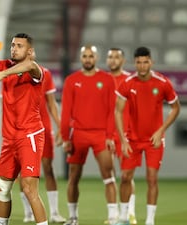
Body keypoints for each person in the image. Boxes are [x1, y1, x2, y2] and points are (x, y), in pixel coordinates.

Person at [0, 33, 48, 225]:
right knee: (2, 187)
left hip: (29, 135)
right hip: (10, 138)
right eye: (13, 45)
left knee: (29, 189)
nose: (14, 48)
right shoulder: (4, 64)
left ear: (30, 51)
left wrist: (3, 74)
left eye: (19, 46)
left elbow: (30, 65)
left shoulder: (35, 70)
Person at [114, 47, 180, 225]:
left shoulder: (162, 83)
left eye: (145, 62)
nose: (142, 66)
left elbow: (176, 108)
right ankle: (123, 217)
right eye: (138, 62)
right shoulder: (127, 83)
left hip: (154, 141)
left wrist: (161, 130)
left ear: (151, 62)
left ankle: (150, 220)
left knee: (152, 178)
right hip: (132, 140)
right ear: (134, 63)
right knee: (125, 177)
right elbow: (118, 111)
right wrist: (122, 139)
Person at [60, 44, 118, 225]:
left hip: (101, 135)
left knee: (108, 174)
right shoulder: (71, 80)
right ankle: (73, 217)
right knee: (74, 177)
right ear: (80, 58)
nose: (87, 59)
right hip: (78, 135)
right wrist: (64, 138)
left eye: (90, 56)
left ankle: (113, 216)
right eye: (84, 56)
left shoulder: (107, 79)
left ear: (96, 58)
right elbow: (66, 112)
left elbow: (111, 111)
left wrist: (110, 136)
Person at [19, 52, 66, 223]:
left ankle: (54, 212)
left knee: (48, 167)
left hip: (43, 129)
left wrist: (60, 126)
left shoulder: (45, 73)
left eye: (31, 51)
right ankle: (28, 213)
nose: (29, 53)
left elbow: (52, 103)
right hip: (22, 130)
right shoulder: (13, 74)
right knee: (22, 172)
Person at [106, 48, 137, 225]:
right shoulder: (102, 80)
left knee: (127, 176)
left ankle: (129, 213)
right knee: (109, 176)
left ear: (123, 60)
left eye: (117, 57)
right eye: (110, 57)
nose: (113, 60)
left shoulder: (130, 80)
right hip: (107, 136)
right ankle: (113, 216)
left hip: (126, 136)